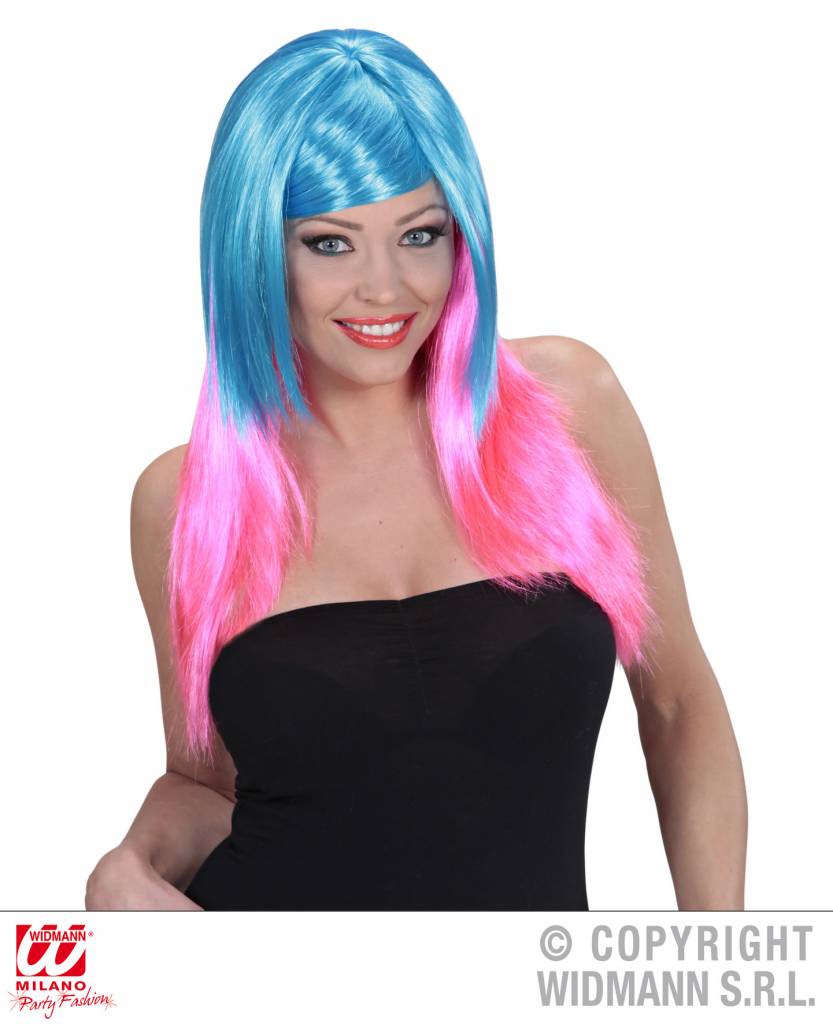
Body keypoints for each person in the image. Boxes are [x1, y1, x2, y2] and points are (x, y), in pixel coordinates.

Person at [85, 28, 747, 911]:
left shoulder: (565, 407)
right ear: (253, 253)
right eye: (330, 243)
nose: (385, 288)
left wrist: (712, 962)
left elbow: (677, 706)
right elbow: (206, 784)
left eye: (419, 233)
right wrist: (127, 865)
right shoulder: (187, 500)